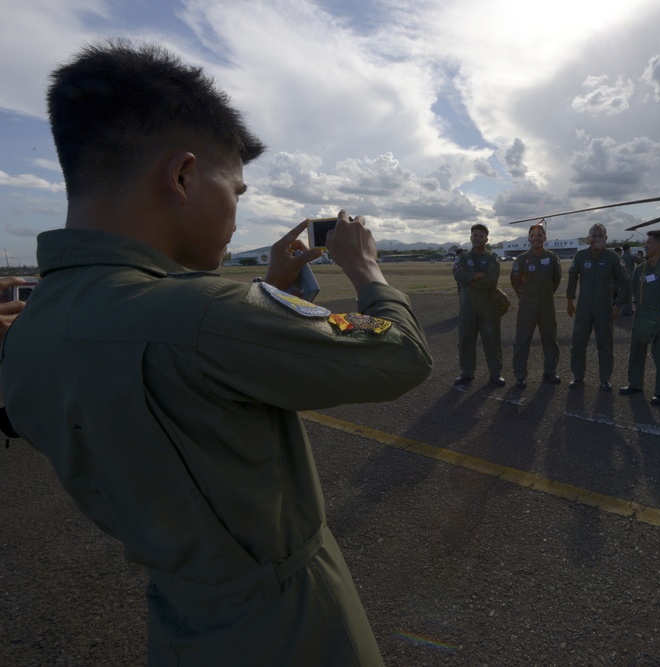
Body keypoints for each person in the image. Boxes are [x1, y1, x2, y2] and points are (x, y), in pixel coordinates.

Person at [0, 39, 433, 666]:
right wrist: (368, 273)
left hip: (183, 626)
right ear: (180, 176)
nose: (235, 212)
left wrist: (269, 289)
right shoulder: (202, 313)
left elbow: (165, 366)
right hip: (292, 627)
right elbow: (401, 356)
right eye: (235, 189)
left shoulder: (32, 326)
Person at [619, 231, 660, 405]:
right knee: (636, 352)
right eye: (645, 242)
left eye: (649, 243)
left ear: (659, 246)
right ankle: (635, 383)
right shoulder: (641, 268)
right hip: (641, 316)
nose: (645, 245)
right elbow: (633, 288)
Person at [566, 223, 629, 390]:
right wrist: (569, 300)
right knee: (578, 342)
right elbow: (572, 278)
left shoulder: (612, 257)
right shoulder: (580, 256)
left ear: (606, 238)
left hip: (604, 308)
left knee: (605, 344)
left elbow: (626, 281)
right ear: (589, 238)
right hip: (583, 307)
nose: (597, 239)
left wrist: (618, 304)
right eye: (594, 235)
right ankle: (578, 376)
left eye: (600, 236)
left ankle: (605, 379)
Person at [510, 223, 562, 388]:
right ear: (528, 238)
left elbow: (556, 278)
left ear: (545, 238)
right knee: (523, 339)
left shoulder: (553, 257)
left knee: (550, 338)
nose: (536, 238)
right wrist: (523, 295)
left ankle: (550, 371)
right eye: (533, 235)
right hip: (528, 305)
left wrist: (546, 294)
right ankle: (520, 375)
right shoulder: (521, 259)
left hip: (547, 304)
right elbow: (515, 279)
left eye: (539, 235)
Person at [453, 223, 505, 386]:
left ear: (486, 239)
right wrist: (478, 275)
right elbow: (457, 276)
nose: (478, 238)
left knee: (492, 339)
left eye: (481, 236)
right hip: (468, 306)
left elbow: (491, 280)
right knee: (466, 339)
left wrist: (469, 279)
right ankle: (467, 372)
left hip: (489, 305)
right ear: (471, 237)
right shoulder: (462, 257)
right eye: (475, 235)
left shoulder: (492, 257)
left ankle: (495, 373)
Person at [619, 243, 639, 315]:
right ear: (628, 248)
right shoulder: (630, 256)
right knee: (628, 295)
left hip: (622, 278)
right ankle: (626, 311)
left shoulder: (621, 257)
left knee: (625, 294)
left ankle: (629, 309)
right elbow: (640, 261)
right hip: (629, 278)